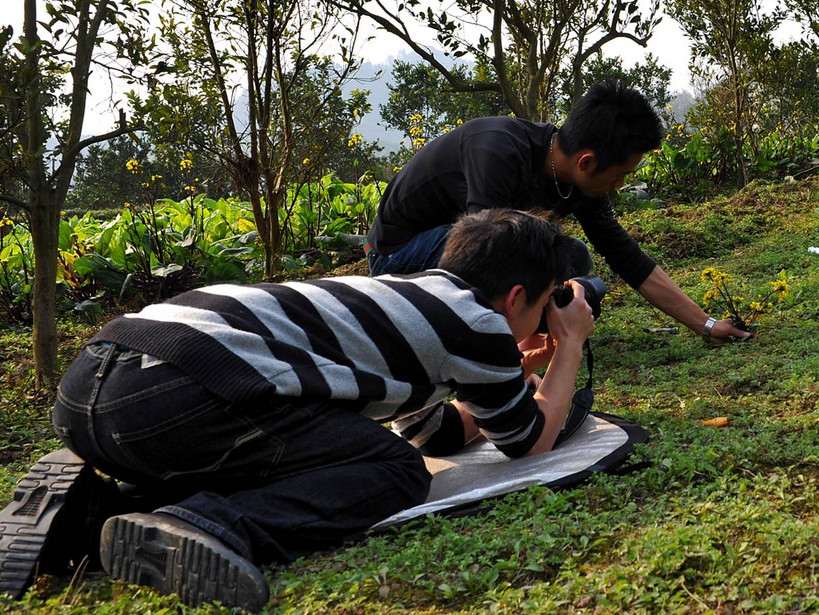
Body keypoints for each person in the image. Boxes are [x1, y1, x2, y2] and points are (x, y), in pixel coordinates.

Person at [0, 209, 596, 611]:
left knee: (307, 451)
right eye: (546, 302)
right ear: (517, 296)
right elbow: (527, 443)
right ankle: (211, 523)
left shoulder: (405, 302)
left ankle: (84, 515)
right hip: (182, 391)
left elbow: (435, 433)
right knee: (393, 471)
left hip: (97, 385)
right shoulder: (478, 320)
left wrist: (510, 376)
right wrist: (567, 348)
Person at [366, 80, 751, 344]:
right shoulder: (498, 150)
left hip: (474, 250)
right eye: (620, 176)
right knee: (528, 258)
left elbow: (626, 257)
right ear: (586, 161)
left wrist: (706, 324)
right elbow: (484, 258)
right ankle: (470, 337)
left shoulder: (577, 180)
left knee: (571, 257)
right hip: (399, 257)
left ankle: (528, 321)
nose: (619, 185)